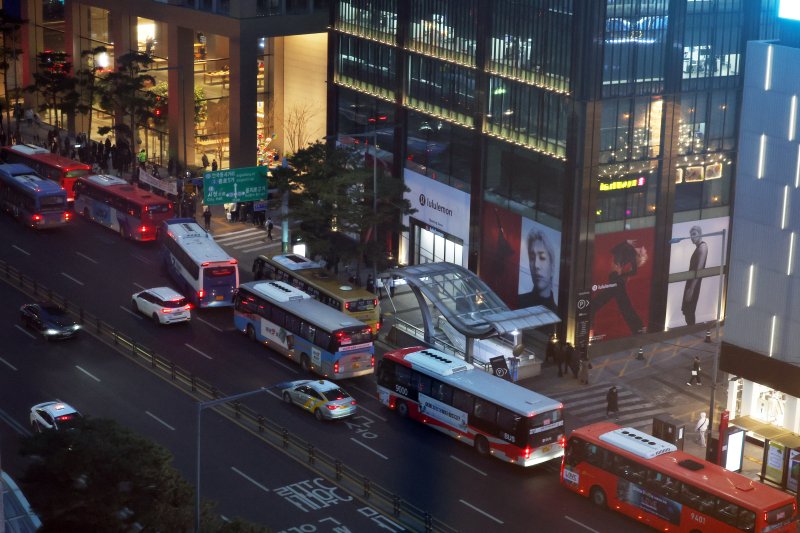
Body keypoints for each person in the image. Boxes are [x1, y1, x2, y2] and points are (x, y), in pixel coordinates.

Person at [591, 239, 647, 335]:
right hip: (616, 278)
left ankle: (639, 328)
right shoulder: (628, 250)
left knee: (621, 303)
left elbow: (633, 271)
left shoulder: (631, 254)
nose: (642, 248)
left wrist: (621, 274)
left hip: (616, 278)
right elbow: (614, 250)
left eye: (642, 250)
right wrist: (626, 242)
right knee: (623, 304)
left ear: (639, 254)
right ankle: (639, 328)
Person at [518, 229, 557, 312]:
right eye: (532, 258)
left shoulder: (559, 313)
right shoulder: (519, 302)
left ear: (552, 267)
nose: (536, 265)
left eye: (542, 258)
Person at [682, 226, 708, 325]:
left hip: (694, 284)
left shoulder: (703, 247)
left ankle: (691, 331)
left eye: (694, 234)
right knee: (687, 310)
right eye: (691, 235)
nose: (692, 237)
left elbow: (700, 269)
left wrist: (692, 288)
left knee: (689, 310)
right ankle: (691, 330)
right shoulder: (699, 248)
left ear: (700, 234)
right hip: (691, 282)